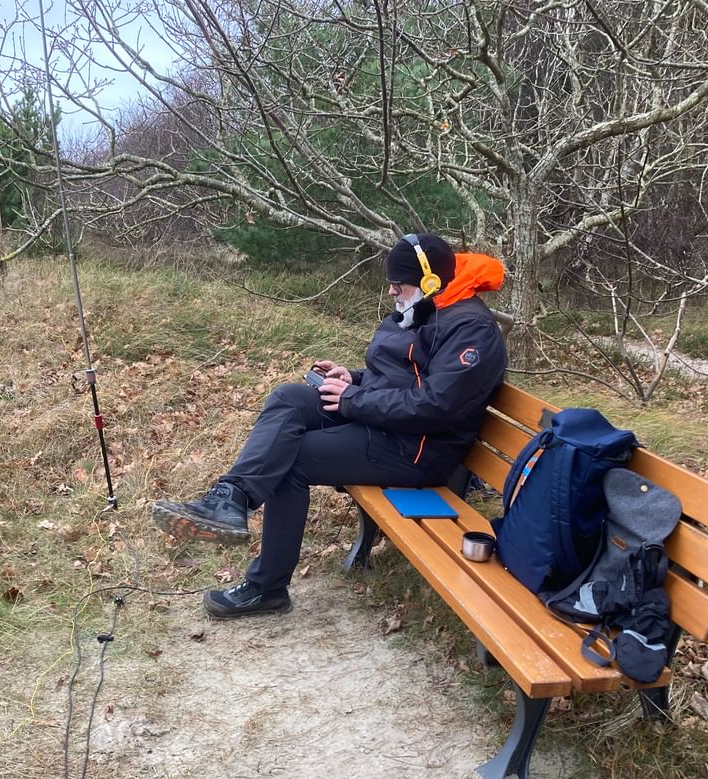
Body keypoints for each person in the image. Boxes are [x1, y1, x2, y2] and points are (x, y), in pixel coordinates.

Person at [151, 233, 508, 618]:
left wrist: (354, 399)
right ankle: (230, 499)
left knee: (292, 460)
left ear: (431, 281)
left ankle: (267, 588)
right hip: (387, 422)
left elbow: (437, 406)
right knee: (290, 397)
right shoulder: (427, 305)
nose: (391, 291)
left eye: (398, 283)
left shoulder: (471, 329)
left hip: (417, 450)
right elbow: (402, 374)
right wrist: (353, 378)